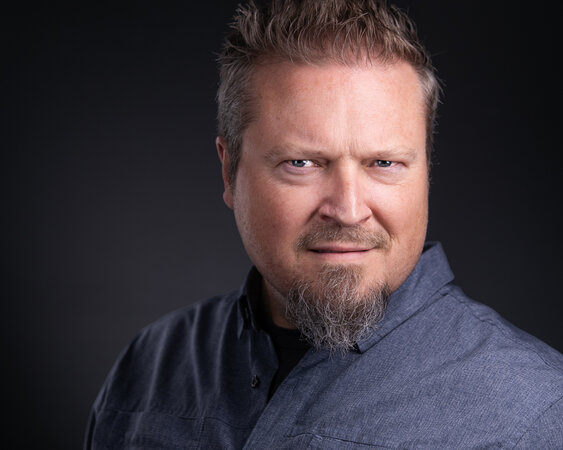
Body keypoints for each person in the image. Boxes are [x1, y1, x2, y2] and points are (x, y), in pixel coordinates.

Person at [84, 0, 563, 448]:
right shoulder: (148, 370)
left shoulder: (536, 413)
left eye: (384, 163)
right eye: (302, 163)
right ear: (229, 171)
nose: (349, 210)